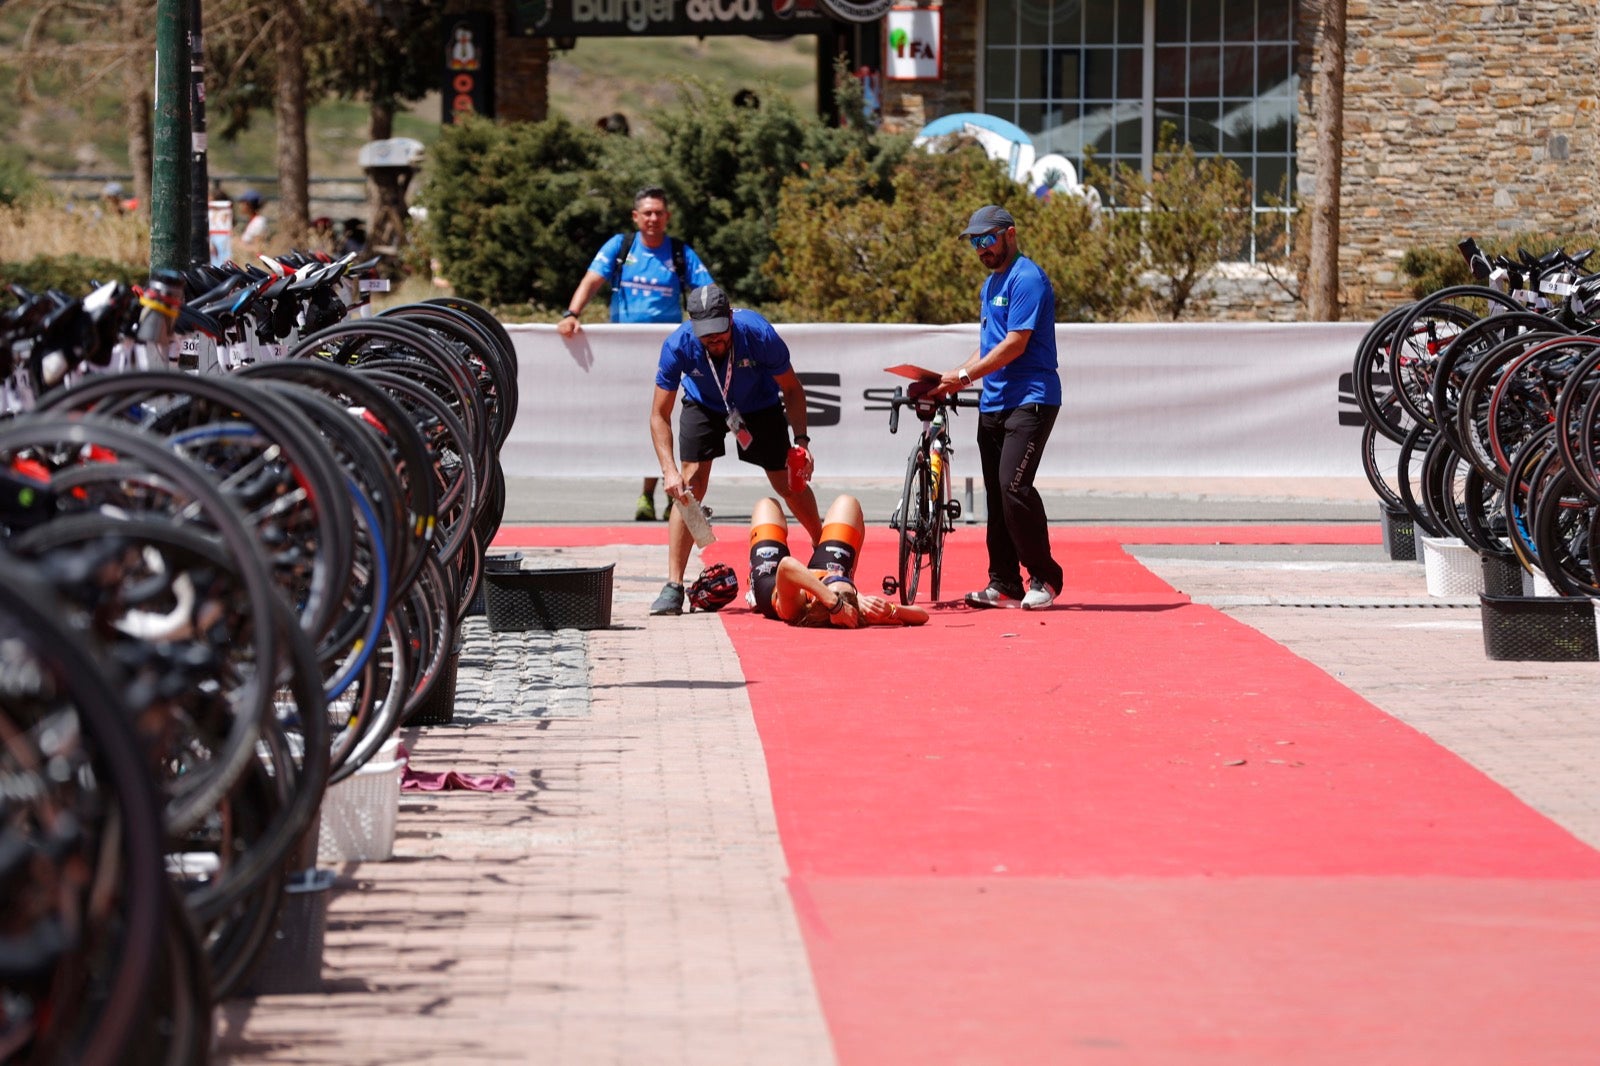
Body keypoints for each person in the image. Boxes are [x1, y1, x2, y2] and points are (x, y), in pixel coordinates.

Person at [649, 283, 821, 616]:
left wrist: (801, 442)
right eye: (706, 335)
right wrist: (668, 470)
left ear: (730, 317)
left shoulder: (758, 333)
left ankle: (820, 545)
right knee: (688, 485)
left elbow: (792, 389)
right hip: (703, 403)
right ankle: (673, 586)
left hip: (758, 405)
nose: (714, 341)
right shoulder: (677, 345)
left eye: (719, 332)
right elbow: (658, 414)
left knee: (787, 481)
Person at [933, 204, 1065, 611]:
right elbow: (989, 346)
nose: (981, 248)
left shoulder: (1028, 278)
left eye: (987, 239)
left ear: (1010, 234)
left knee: (1013, 486)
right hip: (994, 402)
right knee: (997, 494)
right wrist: (954, 375)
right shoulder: (990, 285)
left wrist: (963, 376)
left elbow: (1015, 344)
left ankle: (1045, 576)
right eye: (974, 241)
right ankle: (1004, 582)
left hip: (1031, 399)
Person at [558, 185, 714, 522]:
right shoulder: (620, 246)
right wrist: (572, 314)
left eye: (659, 213)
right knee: (636, 421)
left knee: (665, 418)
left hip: (669, 352)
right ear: (636, 216)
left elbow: (708, 292)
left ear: (667, 216)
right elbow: (591, 280)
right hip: (624, 353)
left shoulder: (680, 252)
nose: (653, 218)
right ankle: (646, 495)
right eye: (647, 213)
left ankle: (673, 492)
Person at [748, 494, 928, 628]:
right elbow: (922, 616)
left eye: (832, 580)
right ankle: (822, 545)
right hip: (830, 589)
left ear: (819, 599)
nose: (837, 572)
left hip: (772, 576)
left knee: (767, 504)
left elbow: (786, 565)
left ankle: (753, 592)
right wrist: (892, 610)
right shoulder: (854, 608)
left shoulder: (795, 607)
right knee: (848, 503)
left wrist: (835, 603)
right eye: (846, 580)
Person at [236, 189, 270, 260]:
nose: (240, 206)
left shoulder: (259, 222)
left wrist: (238, 245)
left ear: (249, 205)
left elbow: (258, 249)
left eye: (243, 203)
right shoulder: (252, 221)